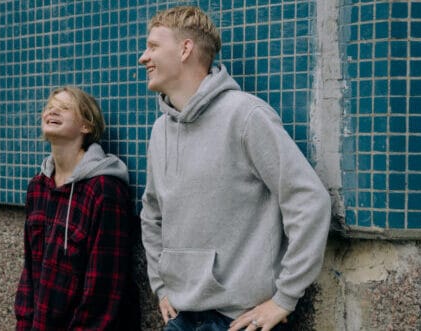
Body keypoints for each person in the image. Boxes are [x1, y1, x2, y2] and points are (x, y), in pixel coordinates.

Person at [138, 6, 332, 331]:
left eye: (154, 46)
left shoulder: (245, 117)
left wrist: (284, 299)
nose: (144, 57)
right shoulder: (160, 131)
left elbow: (309, 201)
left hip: (240, 321)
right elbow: (151, 214)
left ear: (185, 49)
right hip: (181, 316)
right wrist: (160, 286)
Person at [15, 86, 136, 330]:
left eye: (64, 107)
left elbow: (103, 290)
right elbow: (30, 272)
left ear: (86, 126)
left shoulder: (105, 190)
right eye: (49, 107)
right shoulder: (37, 188)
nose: (52, 111)